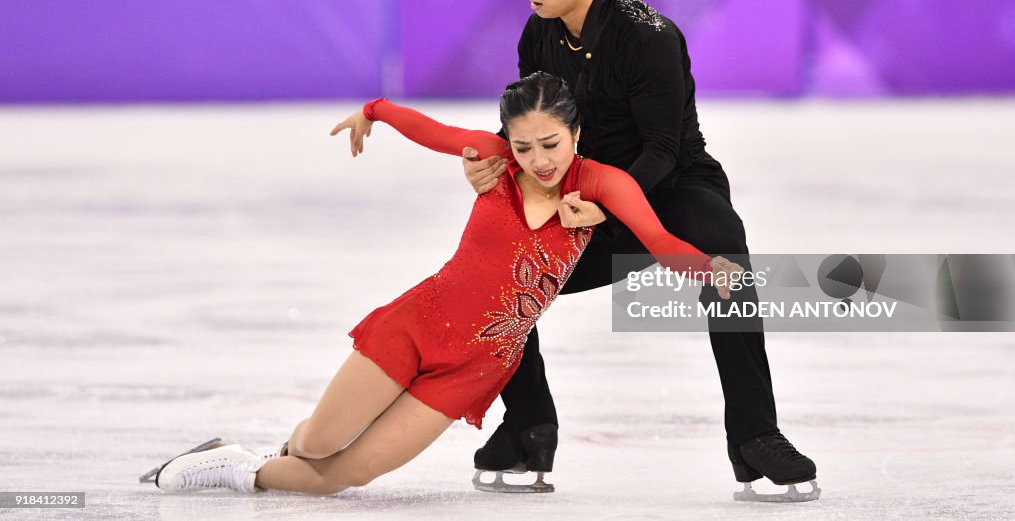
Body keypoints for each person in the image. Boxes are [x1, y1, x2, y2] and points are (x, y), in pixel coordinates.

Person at [152, 73, 742, 495]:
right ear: (506, 141)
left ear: (577, 133)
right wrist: (374, 110)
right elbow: (430, 129)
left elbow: (660, 241)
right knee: (315, 445)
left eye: (551, 144)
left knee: (346, 474)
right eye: (523, 145)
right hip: (422, 323)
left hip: (480, 364)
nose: (539, 160)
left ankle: (235, 467)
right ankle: (267, 454)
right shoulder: (494, 162)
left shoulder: (603, 186)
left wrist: (711, 269)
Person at [462, 0, 818, 502]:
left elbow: (661, 148)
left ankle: (756, 435)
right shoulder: (537, 34)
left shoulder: (649, 37)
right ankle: (527, 426)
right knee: (495, 281)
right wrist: (495, 162)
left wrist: (607, 207)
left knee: (727, 253)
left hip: (673, 188)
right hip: (584, 194)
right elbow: (530, 132)